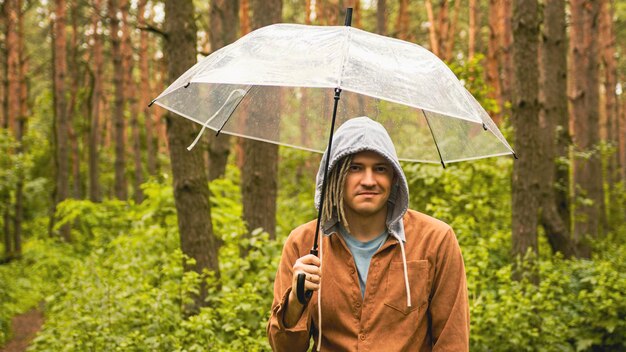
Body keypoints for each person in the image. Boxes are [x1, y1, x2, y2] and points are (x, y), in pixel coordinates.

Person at [266, 116, 470, 351]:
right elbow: (284, 348)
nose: (369, 180)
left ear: (394, 178)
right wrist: (295, 302)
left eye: (380, 169)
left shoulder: (436, 240)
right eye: (355, 168)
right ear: (334, 176)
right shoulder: (303, 243)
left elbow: (452, 342)